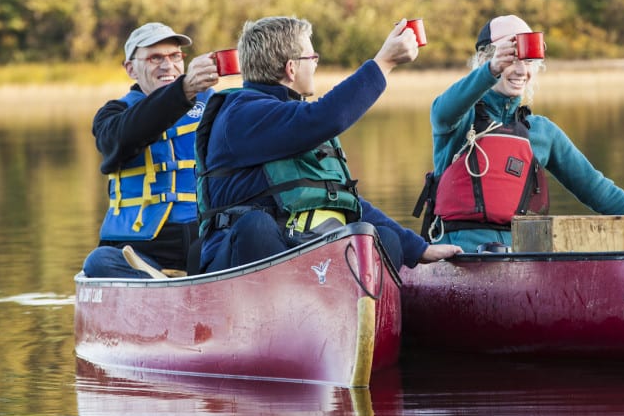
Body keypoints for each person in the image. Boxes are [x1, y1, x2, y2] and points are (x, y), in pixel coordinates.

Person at [194, 15, 461, 273]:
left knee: (383, 239)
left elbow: (344, 200)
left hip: (303, 256)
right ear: (291, 68)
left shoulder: (295, 119)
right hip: (239, 261)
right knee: (256, 227)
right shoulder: (242, 115)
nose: (316, 63)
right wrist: (384, 62)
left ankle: (357, 311)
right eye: (312, 57)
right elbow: (326, 117)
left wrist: (418, 249)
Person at [416, 14, 624, 253]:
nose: (521, 70)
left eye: (528, 61)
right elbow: (442, 112)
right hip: (457, 257)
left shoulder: (541, 132)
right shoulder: (460, 119)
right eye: (511, 59)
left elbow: (599, 191)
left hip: (520, 262)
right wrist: (492, 69)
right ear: (484, 59)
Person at [81, 22, 220, 278]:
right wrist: (184, 89)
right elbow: (124, 137)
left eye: (175, 56)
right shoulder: (112, 115)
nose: (168, 66)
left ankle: (192, 280)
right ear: (131, 69)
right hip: (140, 249)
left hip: (206, 236)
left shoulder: (215, 104)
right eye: (156, 58)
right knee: (98, 263)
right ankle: (157, 281)